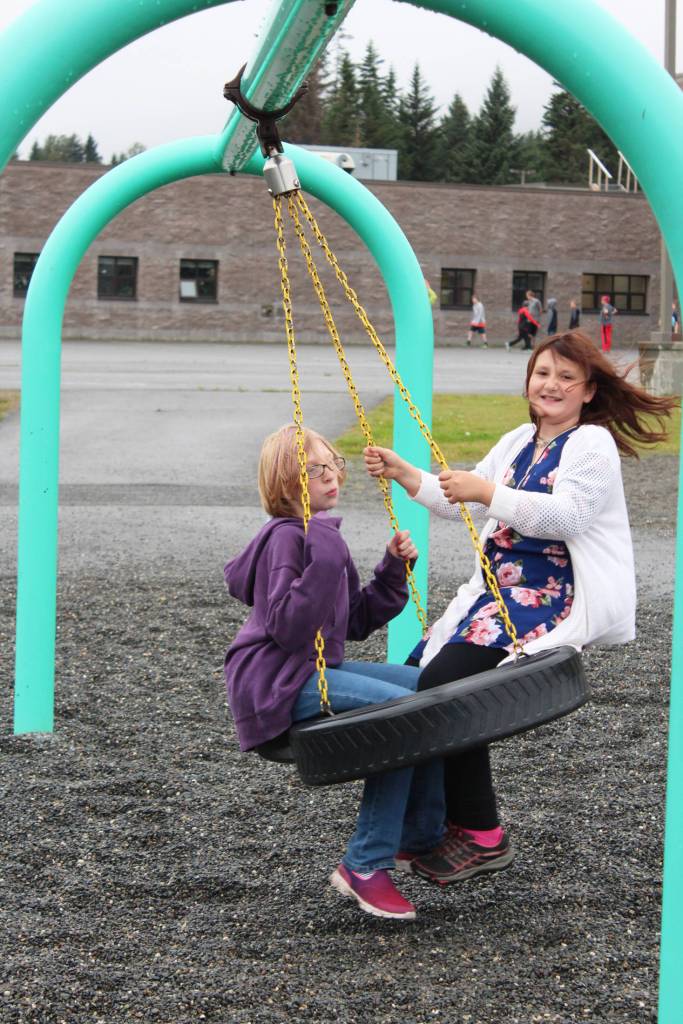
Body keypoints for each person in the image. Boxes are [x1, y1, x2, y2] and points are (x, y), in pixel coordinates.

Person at [364, 330, 677, 885]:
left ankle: (482, 833)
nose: (550, 385)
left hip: (549, 596)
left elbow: (566, 518)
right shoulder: (515, 442)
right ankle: (432, 825)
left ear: (587, 391)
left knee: (448, 689)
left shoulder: (591, 444)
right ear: (528, 379)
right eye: (542, 373)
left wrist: (487, 493)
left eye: (565, 377)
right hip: (493, 595)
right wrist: (405, 472)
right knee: (417, 682)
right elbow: (454, 491)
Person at [223, 424, 446, 920]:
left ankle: (422, 834)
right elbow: (286, 628)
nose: (331, 477)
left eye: (333, 466)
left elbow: (355, 620)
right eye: (315, 469)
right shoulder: (288, 538)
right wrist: (323, 554)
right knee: (401, 715)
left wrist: (391, 570)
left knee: (435, 689)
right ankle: (365, 863)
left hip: (314, 667)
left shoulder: (322, 537)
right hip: (275, 682)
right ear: (286, 482)